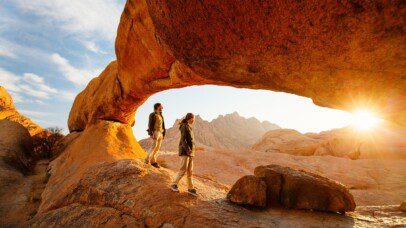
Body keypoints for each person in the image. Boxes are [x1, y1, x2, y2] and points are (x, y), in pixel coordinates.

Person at [170, 113, 199, 196]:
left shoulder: (189, 126)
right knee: (183, 169)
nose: (193, 120)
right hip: (185, 151)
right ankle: (174, 184)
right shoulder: (184, 126)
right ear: (189, 118)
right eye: (193, 119)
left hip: (190, 153)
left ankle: (190, 188)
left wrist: (192, 150)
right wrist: (188, 149)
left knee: (190, 171)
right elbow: (183, 139)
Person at [145, 103, 166, 168]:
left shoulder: (160, 115)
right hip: (155, 132)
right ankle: (146, 160)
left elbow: (163, 125)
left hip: (160, 133)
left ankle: (153, 161)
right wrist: (151, 133)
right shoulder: (152, 114)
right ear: (157, 106)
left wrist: (164, 134)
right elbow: (150, 124)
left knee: (157, 148)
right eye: (161, 106)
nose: (162, 107)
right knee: (154, 146)